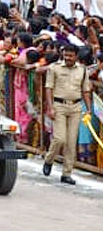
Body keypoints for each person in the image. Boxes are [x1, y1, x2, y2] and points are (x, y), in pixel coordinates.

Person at [42, 43, 89, 185]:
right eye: (66, 55)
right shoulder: (54, 68)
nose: (67, 58)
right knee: (59, 138)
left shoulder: (82, 70)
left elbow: (85, 90)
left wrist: (89, 109)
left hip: (75, 107)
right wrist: (50, 108)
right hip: (59, 106)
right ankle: (49, 160)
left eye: (70, 55)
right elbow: (49, 88)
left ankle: (67, 173)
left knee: (71, 142)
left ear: (76, 56)